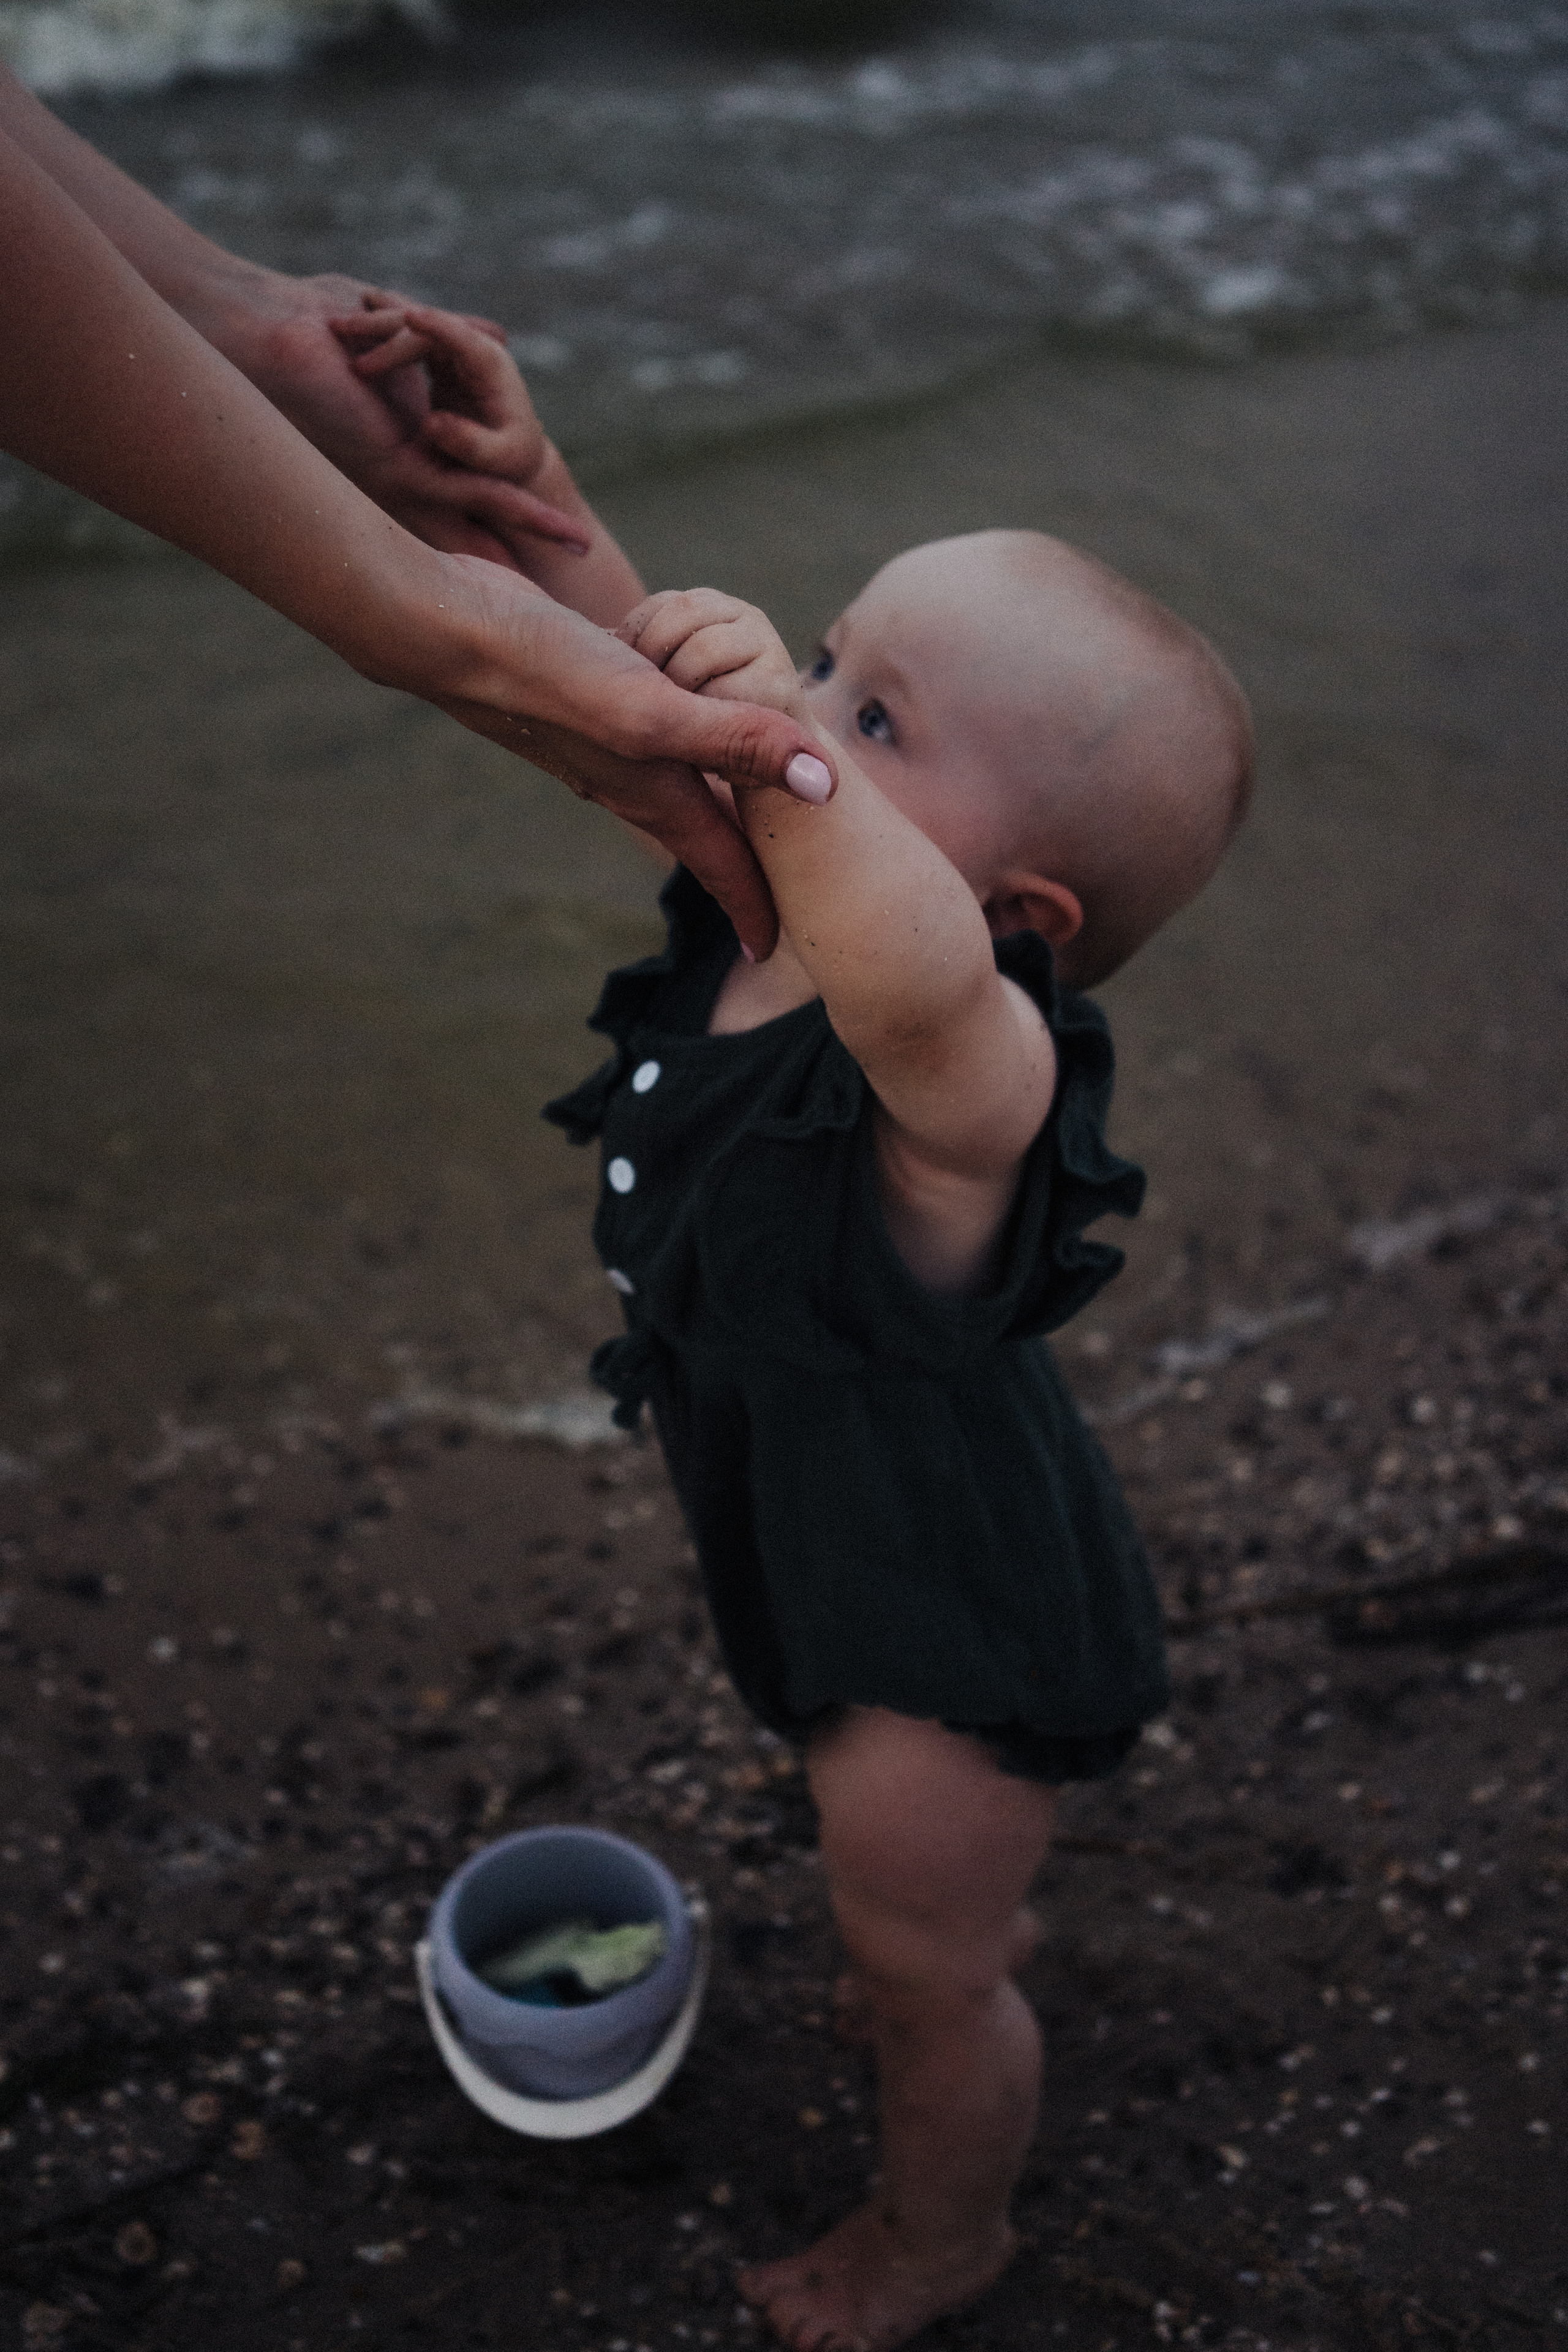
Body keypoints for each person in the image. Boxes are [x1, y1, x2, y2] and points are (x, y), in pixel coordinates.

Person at [383, 306, 1254, 2349]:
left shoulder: (972, 1076)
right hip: (813, 1519)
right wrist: (551, 513)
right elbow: (641, 708)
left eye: (874, 722)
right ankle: (942, 1945)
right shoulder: (768, 907)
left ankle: (948, 2235)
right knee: (905, 1910)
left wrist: (788, 739)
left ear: (1022, 920)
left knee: (926, 1956)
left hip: (939, 1616)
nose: (799, 712)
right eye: (842, 661)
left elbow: (909, 961)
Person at [0, 67, 835, 959]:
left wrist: (425, 613)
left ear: (1005, 911)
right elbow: (640, 715)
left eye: (871, 722)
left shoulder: (950, 1046)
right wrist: (530, 495)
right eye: (823, 662)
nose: (787, 696)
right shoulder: (780, 936)